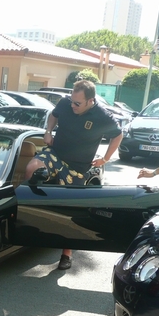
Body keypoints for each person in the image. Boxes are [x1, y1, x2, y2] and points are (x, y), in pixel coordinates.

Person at [25, 80, 122, 270]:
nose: (72, 105)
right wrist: (48, 131)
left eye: (77, 103)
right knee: (32, 166)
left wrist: (106, 158)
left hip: (78, 167)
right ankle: (30, 214)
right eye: (71, 101)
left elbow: (117, 135)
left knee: (70, 210)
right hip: (56, 154)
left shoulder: (102, 116)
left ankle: (66, 254)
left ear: (90, 101)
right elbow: (54, 115)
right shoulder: (64, 103)